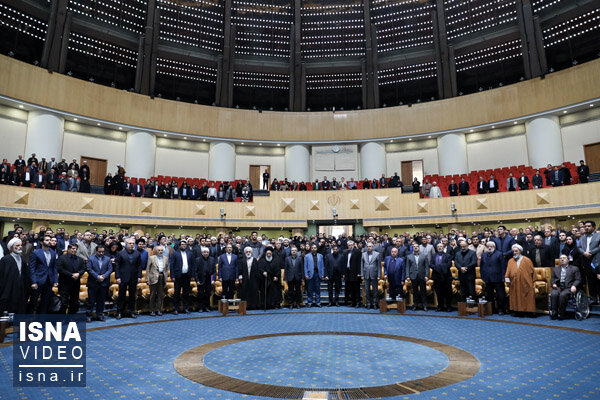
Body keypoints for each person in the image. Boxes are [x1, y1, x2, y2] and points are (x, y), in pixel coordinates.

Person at [28, 235, 58, 314]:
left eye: (50, 240)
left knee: (45, 302)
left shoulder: (53, 253)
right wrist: (33, 282)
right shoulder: (36, 253)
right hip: (38, 280)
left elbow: (54, 268)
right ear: (41, 242)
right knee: (33, 301)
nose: (49, 241)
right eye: (47, 240)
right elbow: (32, 268)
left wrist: (55, 280)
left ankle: (41, 321)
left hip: (48, 281)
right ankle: (29, 320)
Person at [0, 238, 30, 314]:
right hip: (8, 289)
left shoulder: (22, 260)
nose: (20, 247)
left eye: (21, 245)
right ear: (11, 247)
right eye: (17, 245)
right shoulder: (5, 259)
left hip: (20, 288)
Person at [506, 244, 536, 317]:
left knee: (527, 297)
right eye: (513, 251)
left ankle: (528, 312)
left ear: (520, 251)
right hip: (514, 283)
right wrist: (507, 280)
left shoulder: (527, 260)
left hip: (525, 283)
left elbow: (532, 272)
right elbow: (507, 272)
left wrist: (532, 282)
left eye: (516, 251)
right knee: (515, 297)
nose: (514, 253)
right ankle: (517, 311)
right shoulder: (510, 261)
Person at [115, 238, 142, 319]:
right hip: (123, 277)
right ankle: (119, 312)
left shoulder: (137, 253)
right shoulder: (120, 253)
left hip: (133, 278)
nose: (131, 245)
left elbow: (139, 266)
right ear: (126, 244)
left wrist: (139, 276)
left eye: (133, 243)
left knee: (132, 296)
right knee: (121, 296)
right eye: (130, 243)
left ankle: (132, 312)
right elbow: (117, 266)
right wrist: (117, 277)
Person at [56, 243, 86, 314]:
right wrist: (71, 274)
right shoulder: (62, 258)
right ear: (68, 249)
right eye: (73, 248)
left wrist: (79, 273)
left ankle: (71, 317)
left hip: (76, 283)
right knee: (64, 302)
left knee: (74, 302)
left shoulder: (80, 259)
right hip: (65, 283)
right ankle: (62, 318)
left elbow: (83, 268)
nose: (74, 250)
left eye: (76, 249)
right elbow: (60, 269)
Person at [550, 254, 581, 320]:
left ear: (568, 260)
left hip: (569, 287)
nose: (562, 259)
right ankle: (554, 313)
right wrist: (553, 284)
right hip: (558, 287)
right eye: (560, 258)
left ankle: (561, 313)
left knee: (562, 295)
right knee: (554, 294)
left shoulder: (574, 268)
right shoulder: (555, 269)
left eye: (564, 258)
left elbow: (578, 279)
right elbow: (552, 279)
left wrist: (574, 286)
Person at [86, 245, 112, 322]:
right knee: (91, 300)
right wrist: (97, 276)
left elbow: (110, 269)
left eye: (102, 252)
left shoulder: (107, 259)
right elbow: (89, 269)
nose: (101, 253)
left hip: (104, 283)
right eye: (99, 251)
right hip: (93, 282)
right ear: (96, 251)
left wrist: (104, 276)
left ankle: (99, 315)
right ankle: (88, 316)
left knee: (101, 300)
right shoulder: (91, 258)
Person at [480, 241, 506, 314]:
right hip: (487, 279)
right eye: (488, 246)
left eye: (491, 246)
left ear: (494, 247)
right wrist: (482, 276)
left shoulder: (499, 254)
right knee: (489, 295)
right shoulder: (484, 255)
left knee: (500, 295)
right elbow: (481, 266)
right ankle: (492, 309)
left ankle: (501, 309)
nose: (489, 247)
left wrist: (503, 277)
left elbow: (503, 266)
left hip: (498, 278)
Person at [579, 220, 600, 303]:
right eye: (585, 226)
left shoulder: (598, 236)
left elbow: (599, 247)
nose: (586, 228)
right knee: (590, 280)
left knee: (598, 280)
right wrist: (584, 253)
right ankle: (593, 298)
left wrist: (590, 252)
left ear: (594, 227)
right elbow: (579, 247)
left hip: (596, 260)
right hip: (586, 260)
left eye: (589, 226)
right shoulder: (582, 237)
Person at [171, 239, 194, 314]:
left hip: (187, 276)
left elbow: (192, 265)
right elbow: (172, 266)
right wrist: (172, 276)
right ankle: (175, 309)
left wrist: (192, 275)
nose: (184, 246)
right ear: (179, 246)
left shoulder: (190, 253)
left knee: (186, 293)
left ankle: (185, 308)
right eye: (182, 244)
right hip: (178, 276)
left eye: (185, 245)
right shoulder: (175, 254)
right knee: (177, 293)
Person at [146, 245, 169, 316]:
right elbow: (148, 269)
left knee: (160, 295)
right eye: (159, 250)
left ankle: (159, 310)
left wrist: (166, 278)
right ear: (156, 251)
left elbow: (166, 269)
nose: (160, 251)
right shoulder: (152, 258)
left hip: (162, 278)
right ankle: (152, 310)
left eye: (161, 250)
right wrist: (147, 279)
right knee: (152, 295)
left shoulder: (165, 258)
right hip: (153, 278)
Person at [406, 245, 430, 311]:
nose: (415, 247)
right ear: (412, 248)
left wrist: (427, 275)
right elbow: (407, 267)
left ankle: (424, 305)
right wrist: (407, 276)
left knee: (423, 291)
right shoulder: (409, 256)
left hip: (422, 276)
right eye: (414, 247)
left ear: (419, 248)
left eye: (417, 246)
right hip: (413, 276)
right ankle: (415, 305)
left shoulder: (424, 256)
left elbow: (427, 267)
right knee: (415, 292)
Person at [430, 243, 452, 311]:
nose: (440, 247)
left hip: (446, 277)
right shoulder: (433, 256)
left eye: (441, 246)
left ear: (443, 247)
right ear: (436, 248)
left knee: (448, 292)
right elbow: (431, 264)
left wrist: (438, 267)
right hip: (436, 277)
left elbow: (449, 264)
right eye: (438, 246)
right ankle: (440, 306)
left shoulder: (448, 255)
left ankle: (448, 306)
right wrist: (439, 267)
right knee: (439, 292)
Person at [304, 243, 324, 307]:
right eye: (312, 248)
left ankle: (318, 302)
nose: (313, 249)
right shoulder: (307, 256)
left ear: (316, 248)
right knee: (310, 289)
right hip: (310, 274)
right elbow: (305, 266)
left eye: (315, 248)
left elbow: (322, 266)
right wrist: (306, 274)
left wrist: (322, 274)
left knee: (317, 289)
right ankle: (310, 302)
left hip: (318, 274)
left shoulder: (320, 256)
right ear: (310, 248)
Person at [361, 242, 381, 309]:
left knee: (375, 290)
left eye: (370, 246)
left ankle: (375, 303)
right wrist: (362, 274)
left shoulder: (377, 254)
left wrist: (379, 275)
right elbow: (362, 265)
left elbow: (379, 266)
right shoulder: (363, 254)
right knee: (367, 290)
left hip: (374, 274)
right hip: (366, 274)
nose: (368, 247)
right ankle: (368, 303)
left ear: (373, 247)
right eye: (367, 246)